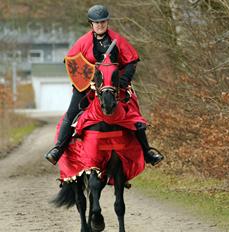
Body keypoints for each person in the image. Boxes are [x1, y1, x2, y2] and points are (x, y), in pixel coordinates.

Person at [45, 4, 164, 166]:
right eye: (96, 22)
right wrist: (89, 83)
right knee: (72, 112)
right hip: (89, 88)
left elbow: (131, 61)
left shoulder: (117, 40)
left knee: (134, 114)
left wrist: (122, 81)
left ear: (107, 22)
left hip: (114, 87)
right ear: (91, 24)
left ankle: (147, 152)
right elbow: (72, 63)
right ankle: (58, 149)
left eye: (103, 22)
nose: (100, 25)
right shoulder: (83, 42)